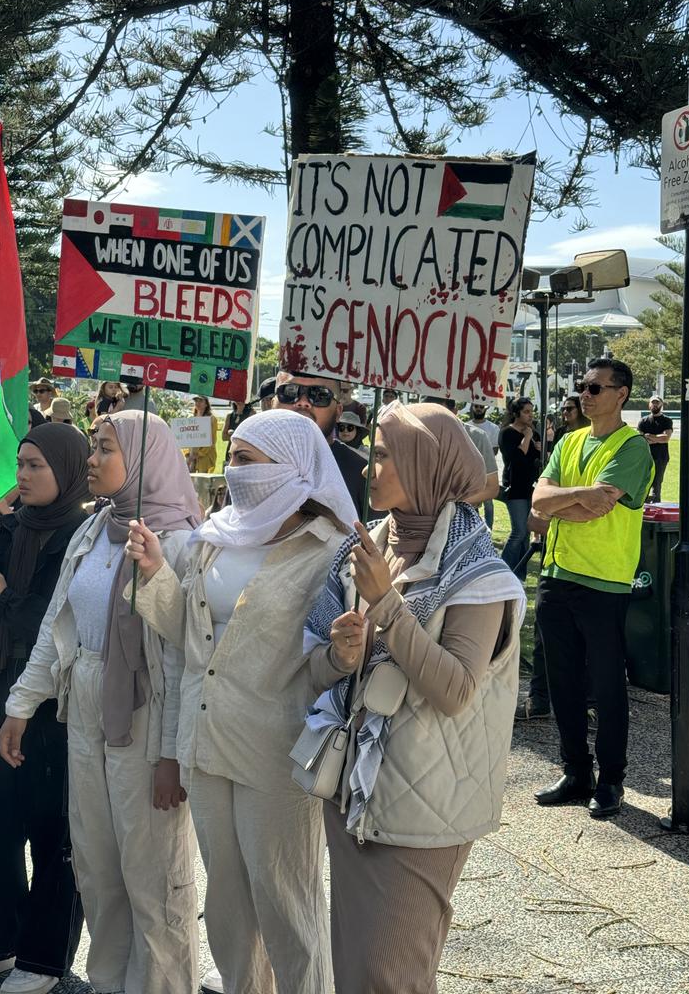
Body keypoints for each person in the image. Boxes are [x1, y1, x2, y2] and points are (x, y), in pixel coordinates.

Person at [126, 410, 356, 994]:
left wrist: (344, 653)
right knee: (226, 903)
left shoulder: (330, 550)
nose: (233, 469)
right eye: (232, 455)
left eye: (247, 459)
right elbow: (189, 637)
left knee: (286, 901)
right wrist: (155, 574)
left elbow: (325, 667)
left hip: (276, 747)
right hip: (207, 740)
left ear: (293, 466)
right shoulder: (216, 533)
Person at [304, 402, 525, 994]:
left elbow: (454, 690)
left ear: (428, 465)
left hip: (426, 805)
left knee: (392, 973)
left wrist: (385, 606)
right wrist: (340, 653)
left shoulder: (479, 575)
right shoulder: (369, 548)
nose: (369, 469)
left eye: (383, 455)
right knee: (352, 963)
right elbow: (317, 661)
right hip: (356, 788)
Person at [0, 412, 201, 994]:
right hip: (85, 703)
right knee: (97, 864)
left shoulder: (183, 543)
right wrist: (21, 703)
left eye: (105, 448)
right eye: (92, 447)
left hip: (146, 714)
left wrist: (169, 756)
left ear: (140, 461)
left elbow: (182, 654)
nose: (91, 459)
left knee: (153, 874)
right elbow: (57, 625)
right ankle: (110, 980)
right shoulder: (94, 530)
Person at [0, 424, 89, 994]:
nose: (23, 476)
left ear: (66, 470)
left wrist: (2, 595)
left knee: (53, 829)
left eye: (36, 466)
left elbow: (61, 627)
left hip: (56, 701)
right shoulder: (11, 529)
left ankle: (43, 957)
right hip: (1, 690)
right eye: (21, 465)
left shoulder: (83, 534)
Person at [531, 358, 653, 818]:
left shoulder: (632, 446)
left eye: (596, 388)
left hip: (604, 582)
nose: (585, 394)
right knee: (563, 682)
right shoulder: (568, 440)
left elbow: (596, 507)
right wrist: (573, 499)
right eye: (583, 386)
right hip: (556, 576)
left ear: (621, 394)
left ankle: (612, 780)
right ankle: (575, 771)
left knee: (606, 687)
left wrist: (558, 503)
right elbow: (539, 501)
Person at [274, 371, 367, 517]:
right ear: (272, 403)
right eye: (289, 392)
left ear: (338, 411)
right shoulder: (248, 463)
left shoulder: (364, 474)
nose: (303, 402)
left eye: (319, 395)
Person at [498, 397, 541, 579]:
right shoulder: (507, 433)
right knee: (519, 531)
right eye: (526, 411)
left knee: (526, 532)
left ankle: (518, 573)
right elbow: (515, 459)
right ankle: (502, 569)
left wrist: (539, 448)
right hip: (515, 488)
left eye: (531, 411)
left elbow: (535, 461)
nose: (530, 415)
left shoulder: (534, 434)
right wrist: (527, 439)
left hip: (530, 487)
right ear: (516, 413)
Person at [467, 403, 500, 530]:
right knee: (471, 503)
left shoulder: (493, 428)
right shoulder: (465, 426)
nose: (479, 409)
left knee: (488, 503)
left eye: (481, 406)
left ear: (486, 408)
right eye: (476, 406)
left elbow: (494, 450)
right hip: (470, 472)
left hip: (487, 471)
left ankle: (488, 530)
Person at [637, 395, 673, 502]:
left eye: (657, 402)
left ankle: (656, 506)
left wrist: (649, 437)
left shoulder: (666, 421)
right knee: (644, 483)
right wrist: (657, 438)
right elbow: (640, 439)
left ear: (661, 405)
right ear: (649, 405)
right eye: (653, 402)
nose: (655, 405)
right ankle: (644, 508)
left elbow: (666, 438)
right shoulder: (643, 421)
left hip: (661, 457)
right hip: (645, 457)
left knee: (656, 484)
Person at [188, 395, 219, 473]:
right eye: (196, 401)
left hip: (205, 454)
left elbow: (212, 439)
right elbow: (187, 438)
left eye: (200, 401)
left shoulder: (212, 419)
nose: (198, 403)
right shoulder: (191, 419)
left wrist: (200, 453)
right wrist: (189, 454)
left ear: (206, 404)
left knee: (202, 480)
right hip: (192, 454)